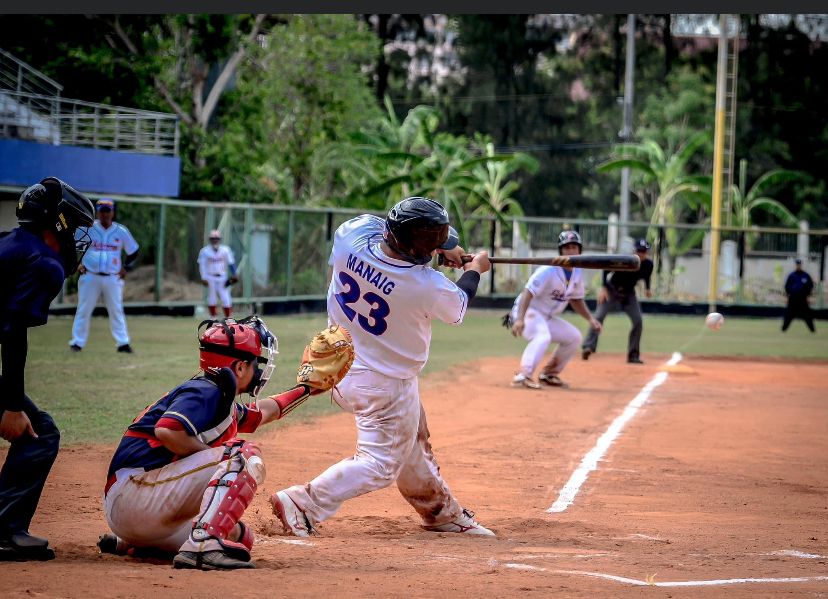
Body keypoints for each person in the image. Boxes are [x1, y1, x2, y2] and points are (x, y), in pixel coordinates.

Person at [270, 196, 496, 538]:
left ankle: (440, 513)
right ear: (420, 251)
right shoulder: (426, 286)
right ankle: (303, 502)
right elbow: (460, 303)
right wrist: (474, 269)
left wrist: (442, 248)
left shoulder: (352, 235)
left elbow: (390, 240)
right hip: (384, 384)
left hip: (337, 363)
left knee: (411, 439)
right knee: (380, 464)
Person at [98, 316, 323, 570]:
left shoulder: (218, 396)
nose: (258, 371)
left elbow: (263, 413)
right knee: (241, 455)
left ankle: (136, 544)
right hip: (134, 496)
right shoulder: (206, 390)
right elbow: (167, 430)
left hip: (140, 510)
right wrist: (217, 458)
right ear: (239, 368)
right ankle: (202, 546)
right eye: (255, 364)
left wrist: (307, 389)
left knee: (240, 536)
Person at [0, 177, 95, 561]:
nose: (77, 240)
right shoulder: (44, 262)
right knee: (40, 434)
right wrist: (10, 405)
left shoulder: (11, 241)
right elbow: (12, 331)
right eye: (75, 228)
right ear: (58, 224)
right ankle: (5, 532)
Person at [506, 230, 602, 389]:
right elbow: (527, 292)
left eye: (574, 247)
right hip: (528, 311)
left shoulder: (577, 272)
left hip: (546, 317)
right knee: (542, 336)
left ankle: (549, 374)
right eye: (567, 247)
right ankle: (523, 375)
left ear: (580, 250)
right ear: (560, 251)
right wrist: (520, 319)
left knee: (574, 337)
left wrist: (590, 319)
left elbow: (576, 299)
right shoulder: (548, 270)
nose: (571, 251)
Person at [68, 198, 140, 353]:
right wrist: (76, 264)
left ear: (113, 212)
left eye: (108, 211)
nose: (105, 214)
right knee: (84, 309)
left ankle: (123, 343)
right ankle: (77, 342)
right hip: (90, 275)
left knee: (116, 310)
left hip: (112, 277)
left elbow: (133, 251)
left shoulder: (120, 231)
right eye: (102, 211)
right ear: (97, 212)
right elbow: (72, 247)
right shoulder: (88, 228)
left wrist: (126, 267)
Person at [581, 237, 654, 364]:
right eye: (639, 251)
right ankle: (588, 347)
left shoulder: (648, 264)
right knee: (598, 316)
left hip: (629, 294)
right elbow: (606, 269)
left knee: (638, 320)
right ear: (634, 251)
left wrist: (648, 288)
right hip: (612, 290)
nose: (641, 254)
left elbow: (647, 276)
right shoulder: (625, 261)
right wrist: (603, 288)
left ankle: (633, 355)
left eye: (644, 251)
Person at [197, 230, 238, 318]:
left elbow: (231, 263)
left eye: (217, 238)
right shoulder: (204, 251)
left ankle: (228, 317)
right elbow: (202, 266)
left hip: (222, 277)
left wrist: (235, 274)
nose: (215, 240)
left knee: (225, 297)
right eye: (213, 238)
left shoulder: (225, 250)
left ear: (220, 239)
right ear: (210, 240)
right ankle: (213, 317)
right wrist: (203, 278)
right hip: (210, 276)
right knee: (212, 297)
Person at [782, 258, 816, 333]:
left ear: (801, 265)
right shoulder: (791, 275)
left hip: (803, 299)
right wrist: (787, 296)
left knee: (807, 315)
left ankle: (812, 330)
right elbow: (787, 287)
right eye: (797, 265)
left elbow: (810, 286)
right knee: (788, 314)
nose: (798, 266)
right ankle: (783, 329)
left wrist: (809, 296)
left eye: (799, 265)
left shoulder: (806, 275)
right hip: (793, 299)